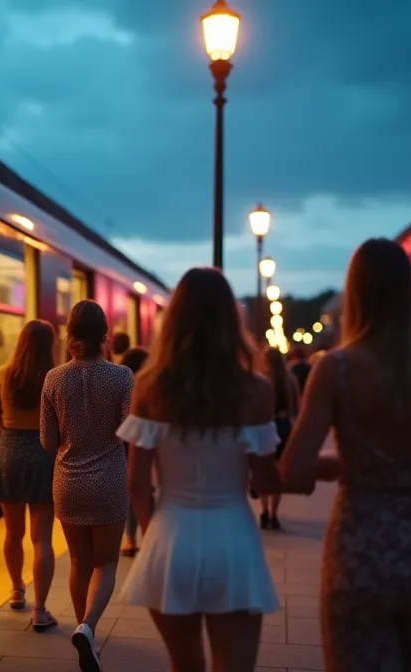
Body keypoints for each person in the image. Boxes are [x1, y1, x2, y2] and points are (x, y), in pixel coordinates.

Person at [280, 238, 411, 671]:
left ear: (355, 295)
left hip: (360, 548)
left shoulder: (336, 368)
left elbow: (292, 470)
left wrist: (338, 465)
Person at [117, 268, 284, 672]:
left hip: (171, 538)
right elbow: (265, 481)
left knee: (184, 664)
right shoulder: (256, 390)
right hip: (234, 539)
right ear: (232, 319)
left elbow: (137, 483)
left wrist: (151, 532)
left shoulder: (150, 386)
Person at [40, 300, 133, 672]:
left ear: (70, 335)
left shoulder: (54, 378)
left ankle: (85, 631)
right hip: (109, 478)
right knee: (106, 563)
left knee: (79, 562)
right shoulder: (123, 376)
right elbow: (129, 429)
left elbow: (48, 441)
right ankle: (88, 627)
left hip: (68, 481)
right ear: (104, 336)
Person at [0, 319, 60, 630]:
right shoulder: (54, 379)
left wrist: (6, 424)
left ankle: (16, 590)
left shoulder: (4, 374)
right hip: (44, 454)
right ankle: (40, 610)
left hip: (10, 452)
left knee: (12, 533)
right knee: (42, 537)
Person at [257, 347, 299, 531]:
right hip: (283, 426)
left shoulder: (263, 381)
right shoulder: (290, 381)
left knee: (263, 469)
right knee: (278, 471)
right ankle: (275, 513)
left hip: (266, 425)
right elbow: (295, 409)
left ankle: (264, 510)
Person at [117, 347, 150, 557]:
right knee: (142, 489)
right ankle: (146, 537)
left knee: (131, 491)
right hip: (141, 443)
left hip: (124, 444)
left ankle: (130, 539)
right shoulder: (145, 388)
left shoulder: (121, 385)